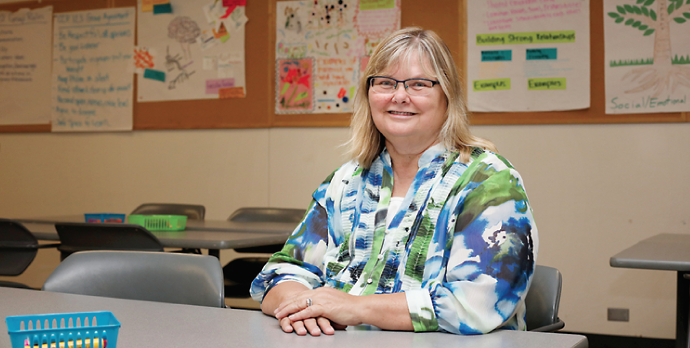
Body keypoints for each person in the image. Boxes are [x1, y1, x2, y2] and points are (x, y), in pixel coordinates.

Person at [250, 27, 538, 336]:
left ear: (447, 96)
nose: (399, 96)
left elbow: (477, 304)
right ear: (369, 94)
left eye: (418, 84)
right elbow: (282, 272)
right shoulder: (346, 181)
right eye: (385, 82)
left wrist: (353, 306)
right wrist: (305, 307)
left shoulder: (489, 183)